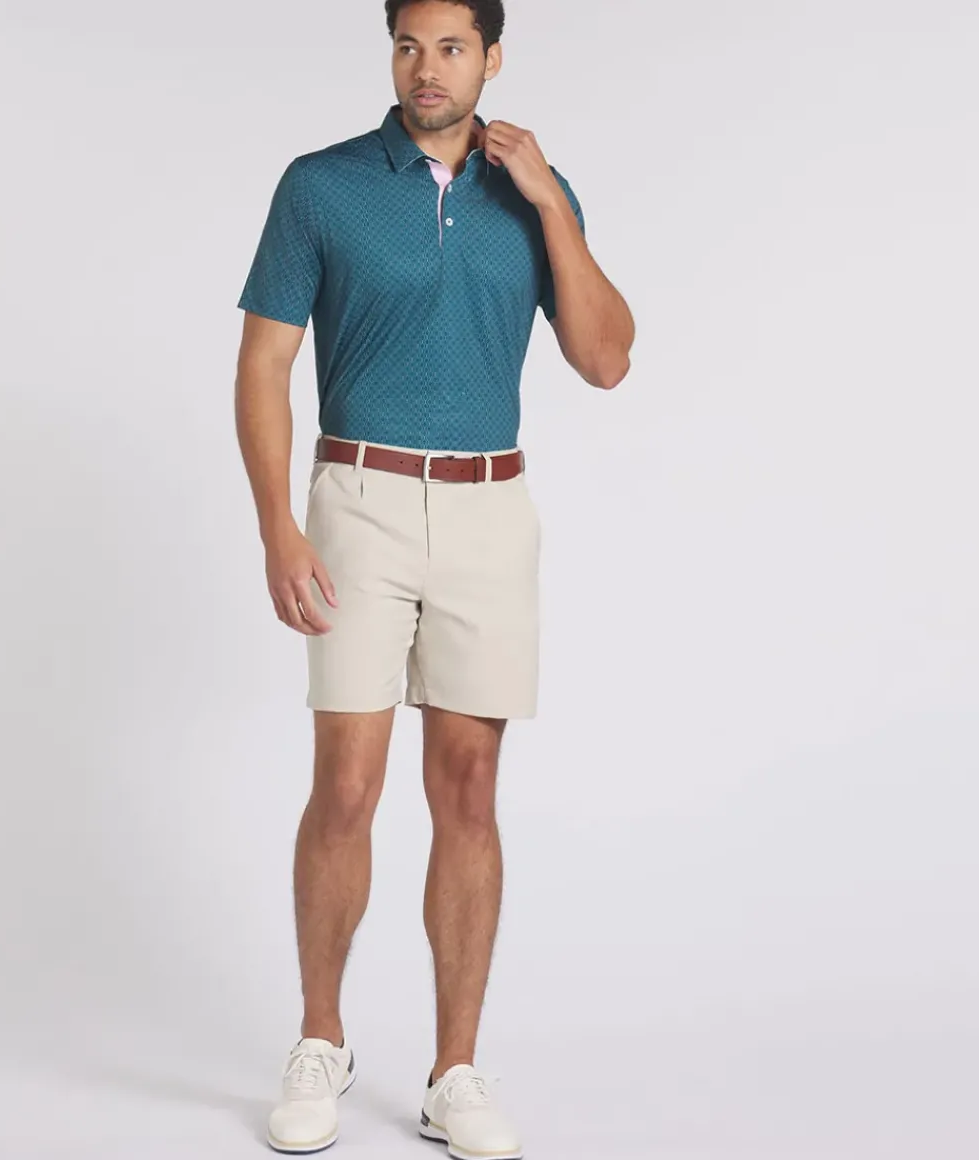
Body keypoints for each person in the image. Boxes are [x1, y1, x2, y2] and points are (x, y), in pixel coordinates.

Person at [234, 1, 634, 1154]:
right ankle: (320, 1037)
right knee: (347, 783)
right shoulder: (321, 186)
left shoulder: (532, 192)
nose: (426, 68)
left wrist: (549, 201)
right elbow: (263, 363)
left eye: (451, 47)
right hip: (356, 500)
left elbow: (605, 357)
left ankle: (454, 1068)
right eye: (408, 45)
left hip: (488, 508)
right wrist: (278, 528)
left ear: (491, 58)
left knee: (467, 785)